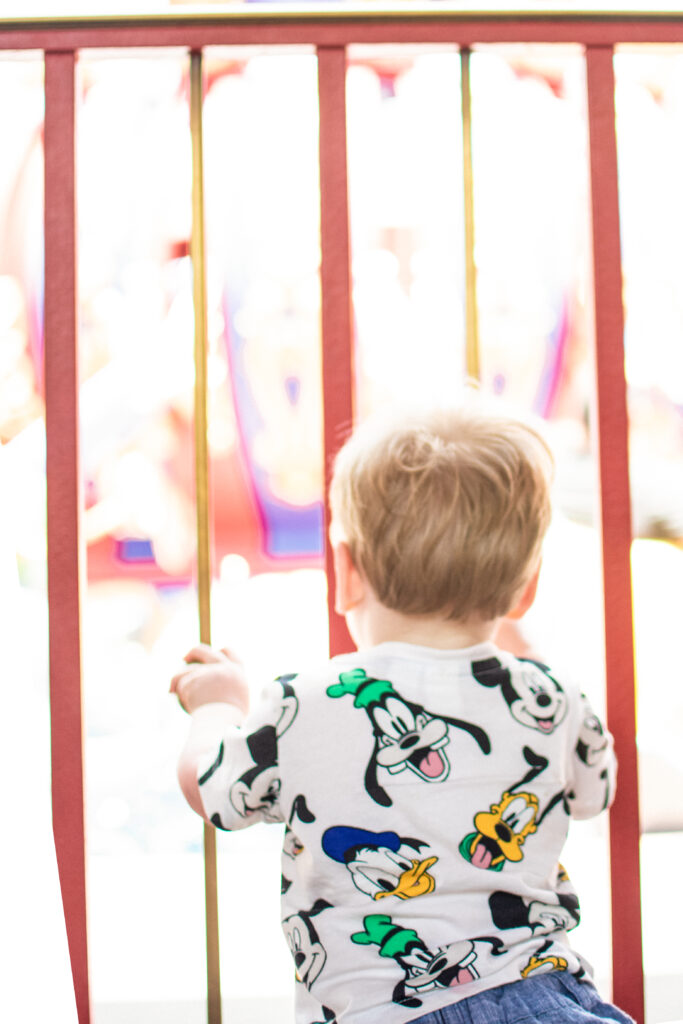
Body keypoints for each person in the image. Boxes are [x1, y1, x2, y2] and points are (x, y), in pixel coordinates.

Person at [171, 405, 632, 1024]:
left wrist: (218, 703)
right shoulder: (553, 697)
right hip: (542, 999)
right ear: (527, 588)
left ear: (346, 572)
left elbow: (212, 788)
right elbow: (594, 791)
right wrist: (526, 655)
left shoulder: (303, 701)